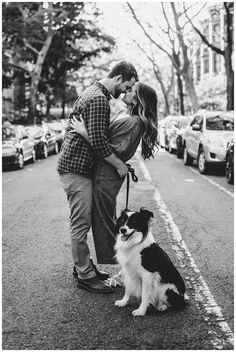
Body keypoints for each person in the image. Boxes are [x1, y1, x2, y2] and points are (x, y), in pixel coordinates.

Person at [57, 61, 139, 294]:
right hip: (76, 169)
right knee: (80, 223)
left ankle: (84, 267)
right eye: (127, 86)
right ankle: (84, 274)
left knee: (82, 221)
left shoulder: (94, 93)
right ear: (119, 77)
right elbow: (101, 144)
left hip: (79, 168)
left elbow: (96, 136)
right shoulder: (99, 99)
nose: (125, 91)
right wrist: (119, 165)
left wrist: (87, 134)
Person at [70, 81, 158, 285]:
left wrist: (84, 132)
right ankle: (119, 268)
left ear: (138, 99)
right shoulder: (127, 115)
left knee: (107, 223)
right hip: (104, 172)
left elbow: (112, 149)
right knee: (105, 221)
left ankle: (125, 270)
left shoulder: (134, 122)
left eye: (131, 91)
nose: (127, 92)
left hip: (107, 174)